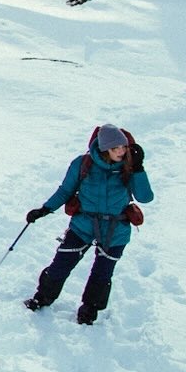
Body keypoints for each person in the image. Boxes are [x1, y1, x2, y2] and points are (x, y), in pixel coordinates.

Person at [23, 123, 153, 325]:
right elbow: (65, 191)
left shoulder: (130, 166)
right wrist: (44, 209)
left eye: (123, 147)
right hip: (83, 225)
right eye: (115, 148)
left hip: (115, 230)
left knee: (102, 273)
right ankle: (43, 298)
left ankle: (89, 310)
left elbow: (145, 197)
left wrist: (138, 169)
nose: (121, 151)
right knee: (61, 264)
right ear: (103, 148)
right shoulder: (83, 164)